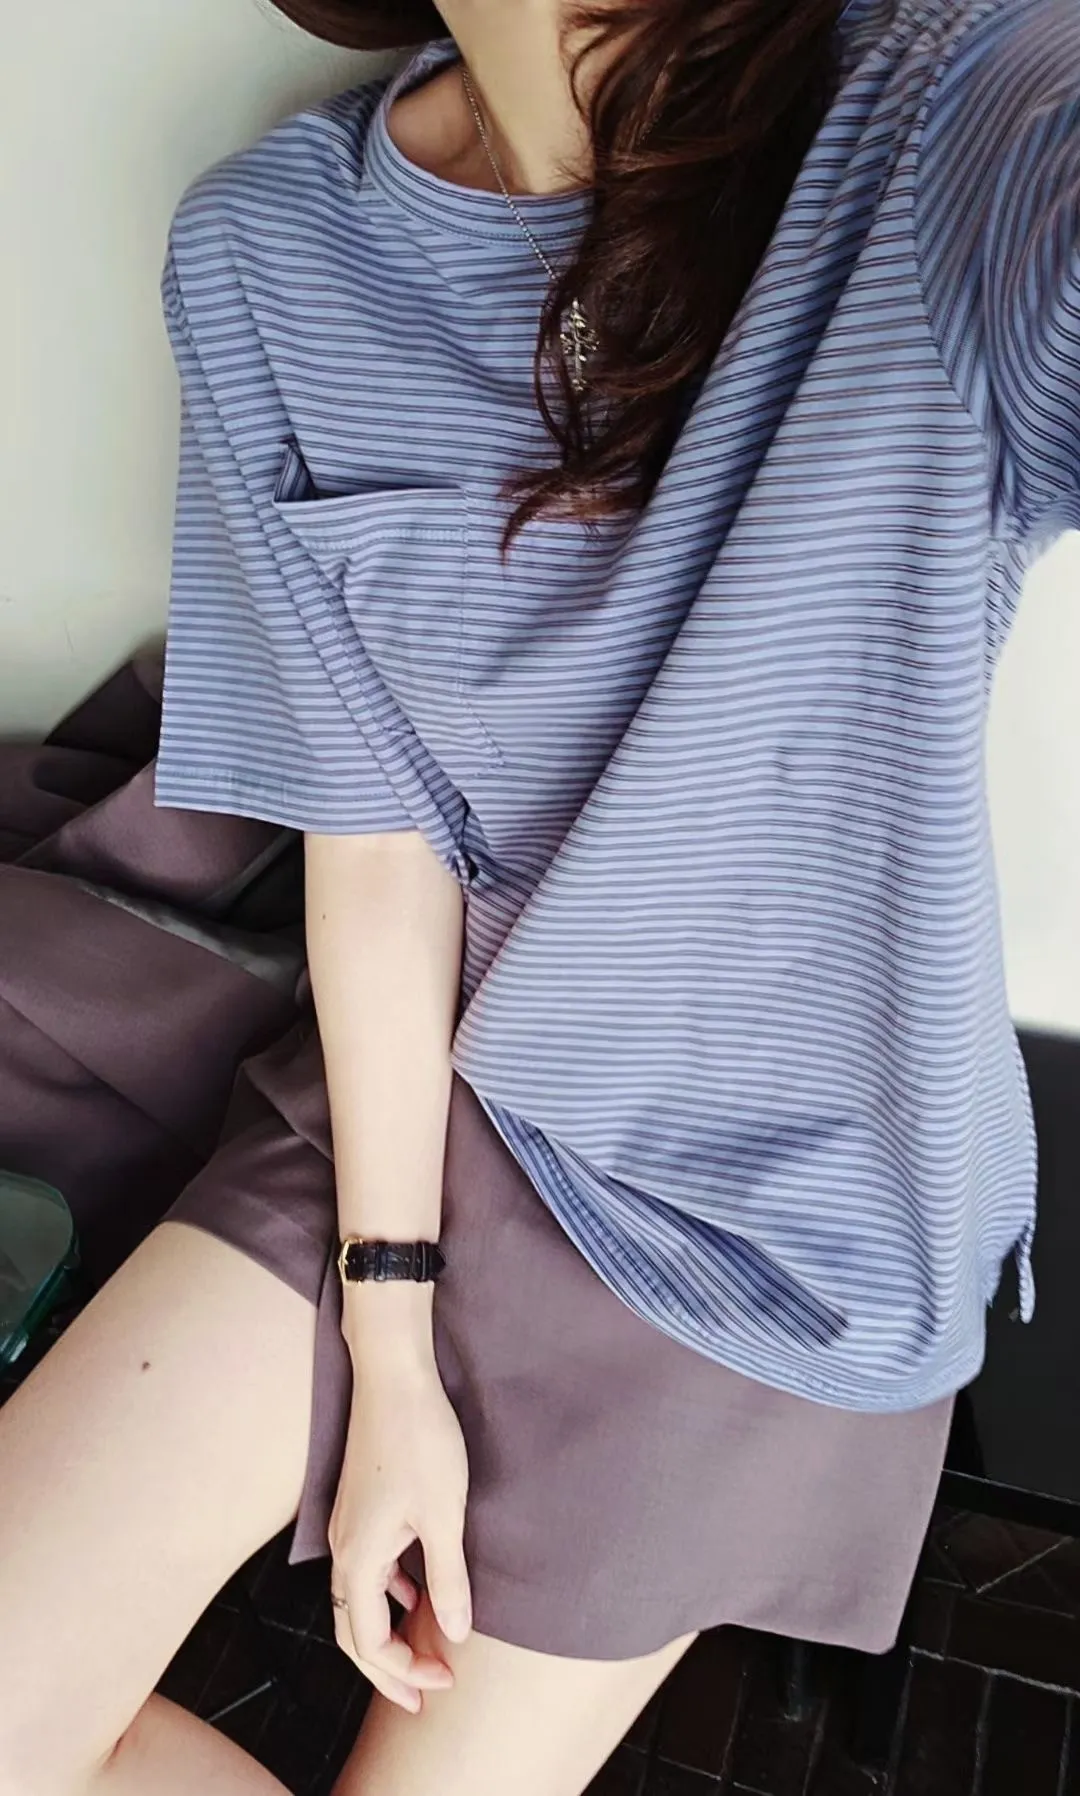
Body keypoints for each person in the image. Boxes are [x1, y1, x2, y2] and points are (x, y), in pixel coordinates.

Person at [1, 0, 1078, 1791]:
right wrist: (390, 1337)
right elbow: (377, 840)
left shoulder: (934, 110)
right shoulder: (273, 251)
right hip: (424, 1103)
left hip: (762, 1229)